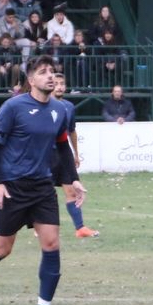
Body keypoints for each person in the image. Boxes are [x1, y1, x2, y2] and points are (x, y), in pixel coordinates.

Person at [0, 55, 87, 305]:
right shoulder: (13, 107)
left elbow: (62, 145)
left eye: (52, 71)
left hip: (42, 187)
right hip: (12, 188)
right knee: (2, 249)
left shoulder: (60, 110)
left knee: (51, 244)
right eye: (43, 72)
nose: (50, 76)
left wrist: (72, 179)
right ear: (31, 80)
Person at [53, 73, 99, 238]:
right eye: (56, 83)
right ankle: (39, 227)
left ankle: (80, 229)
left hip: (63, 155)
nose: (59, 86)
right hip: (44, 155)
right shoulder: (42, 105)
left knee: (72, 191)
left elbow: (71, 131)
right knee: (42, 192)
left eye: (62, 83)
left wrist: (76, 154)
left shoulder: (69, 107)